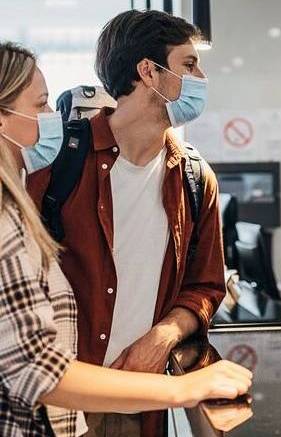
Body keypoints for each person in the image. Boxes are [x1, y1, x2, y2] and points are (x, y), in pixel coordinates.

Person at [0, 41, 252, 437]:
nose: (53, 117)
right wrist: (181, 388)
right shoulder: (51, 172)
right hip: (54, 407)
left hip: (128, 399)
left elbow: (204, 285)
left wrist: (163, 338)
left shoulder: (192, 176)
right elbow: (34, 366)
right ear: (148, 72)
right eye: (42, 105)